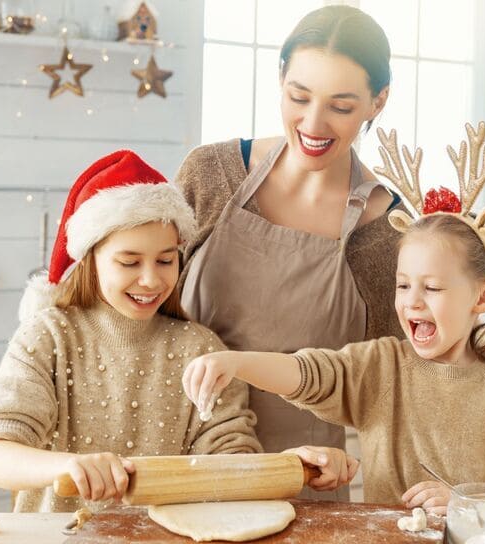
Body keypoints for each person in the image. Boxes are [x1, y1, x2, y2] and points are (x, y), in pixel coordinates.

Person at [181, 123, 485, 514]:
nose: (412, 302)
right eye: (402, 286)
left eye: (431, 289)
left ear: (482, 297)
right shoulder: (384, 365)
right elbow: (309, 374)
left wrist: (469, 504)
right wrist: (236, 363)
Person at [0, 150, 356, 513]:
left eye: (166, 260)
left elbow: (230, 462)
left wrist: (293, 466)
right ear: (91, 260)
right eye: (129, 262)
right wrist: (72, 466)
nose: (150, 280)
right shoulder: (48, 337)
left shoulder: (200, 348)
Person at [175, 5, 404, 501]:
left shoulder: (390, 231)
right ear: (280, 78)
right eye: (298, 96)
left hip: (303, 488)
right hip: (176, 465)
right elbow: (140, 307)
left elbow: (390, 385)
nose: (313, 122)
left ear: (378, 101)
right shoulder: (210, 174)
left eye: (341, 106)